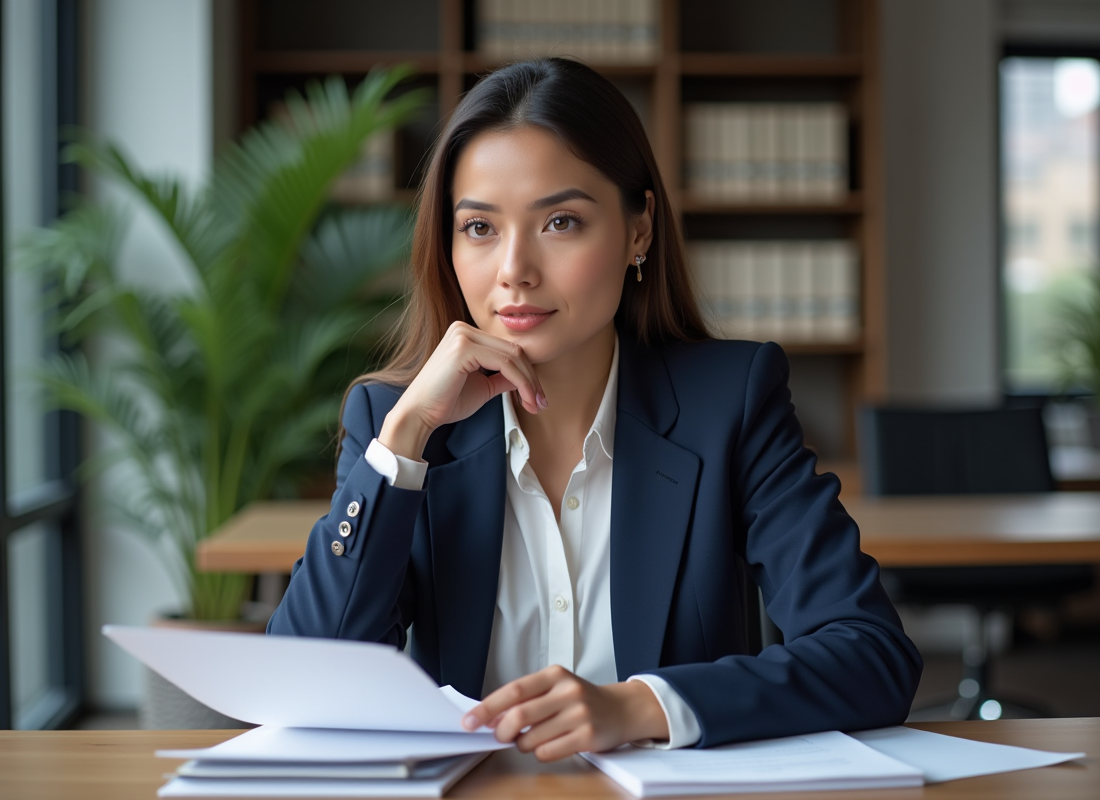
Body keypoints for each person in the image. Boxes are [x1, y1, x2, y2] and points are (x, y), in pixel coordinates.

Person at [267, 56, 921, 761]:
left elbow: (871, 653)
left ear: (639, 230)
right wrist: (403, 443)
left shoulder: (728, 402)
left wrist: (638, 706)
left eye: (561, 221)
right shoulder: (394, 423)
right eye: (480, 228)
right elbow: (301, 688)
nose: (514, 270)